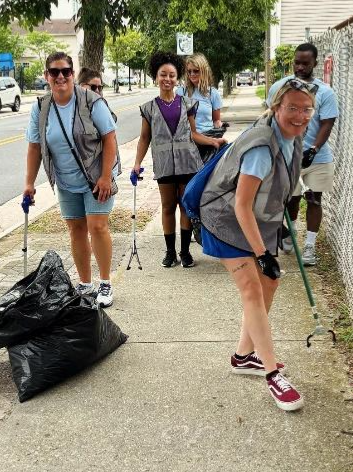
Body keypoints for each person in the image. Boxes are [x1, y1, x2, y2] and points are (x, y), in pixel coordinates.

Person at [199, 80, 316, 411]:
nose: (300, 116)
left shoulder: (291, 138)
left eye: (306, 109)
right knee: (252, 288)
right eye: (292, 108)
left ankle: (242, 356)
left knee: (270, 283)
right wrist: (263, 254)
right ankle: (271, 374)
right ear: (276, 106)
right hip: (224, 220)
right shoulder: (261, 150)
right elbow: (240, 205)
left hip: (254, 221)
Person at [24, 52, 120, 307]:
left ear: (72, 74)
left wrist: (106, 176)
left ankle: (105, 283)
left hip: (96, 177)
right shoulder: (41, 107)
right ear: (46, 76)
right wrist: (29, 183)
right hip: (66, 180)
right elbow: (34, 147)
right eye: (54, 72)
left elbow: (110, 137)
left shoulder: (91, 102)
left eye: (65, 71)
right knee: (76, 230)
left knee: (97, 226)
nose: (61, 77)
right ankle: (85, 284)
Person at [132, 52, 225, 268]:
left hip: (188, 162)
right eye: (163, 75)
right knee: (167, 207)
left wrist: (213, 142)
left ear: (177, 78)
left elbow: (193, 133)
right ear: (155, 77)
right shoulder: (148, 108)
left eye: (172, 75)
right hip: (164, 165)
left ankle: (184, 252)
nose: (167, 79)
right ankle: (170, 252)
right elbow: (145, 138)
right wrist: (137, 163)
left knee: (184, 207)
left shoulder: (188, 103)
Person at [266, 43, 338, 266]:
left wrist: (314, 149)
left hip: (317, 158)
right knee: (292, 199)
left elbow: (327, 123)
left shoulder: (325, 92)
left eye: (305, 63)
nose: (300, 67)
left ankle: (309, 247)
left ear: (315, 64)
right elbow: (271, 117)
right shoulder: (280, 87)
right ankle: (291, 236)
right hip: (288, 156)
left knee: (315, 200)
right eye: (297, 62)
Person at [177, 53, 225, 159]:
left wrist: (219, 129)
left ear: (203, 71)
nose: (192, 74)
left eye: (196, 71)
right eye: (189, 71)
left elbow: (216, 120)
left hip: (207, 141)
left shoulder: (213, 93)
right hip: (186, 143)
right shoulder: (181, 92)